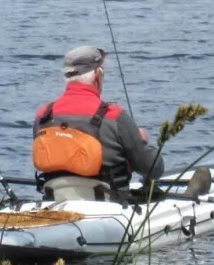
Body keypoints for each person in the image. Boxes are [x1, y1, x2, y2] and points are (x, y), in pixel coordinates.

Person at [32, 45, 162, 202]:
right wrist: (141, 140)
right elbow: (154, 169)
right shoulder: (114, 116)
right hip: (109, 209)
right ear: (98, 75)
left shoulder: (43, 115)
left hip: (55, 205)